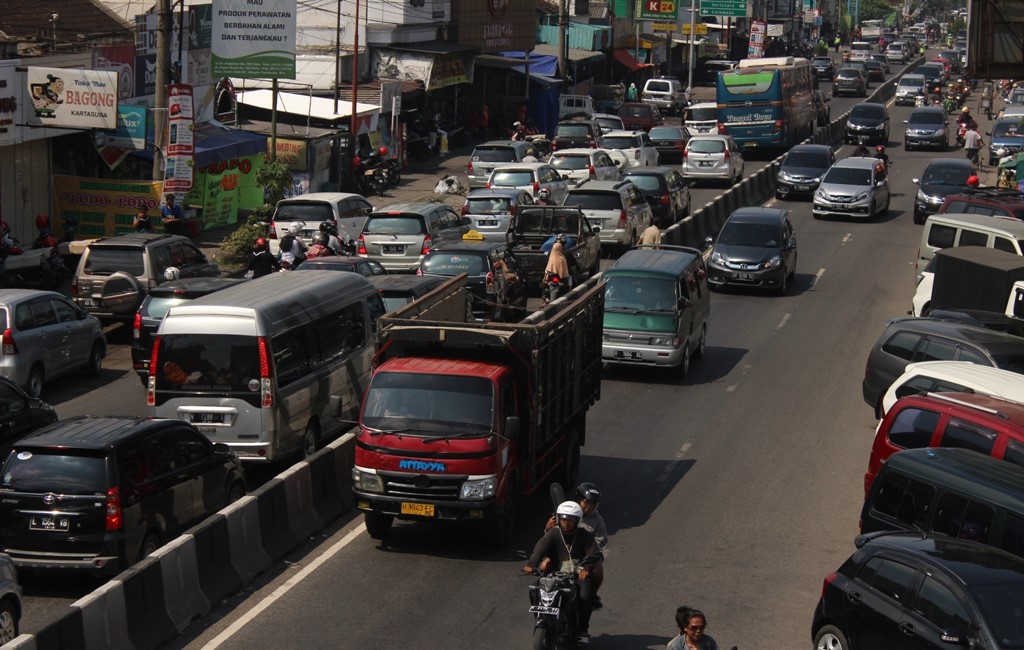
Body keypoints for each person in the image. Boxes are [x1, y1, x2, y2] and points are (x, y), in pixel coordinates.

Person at [523, 501, 601, 646]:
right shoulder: (554, 533)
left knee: (585, 596)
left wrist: (586, 568)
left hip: (576, 575)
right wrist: (531, 565)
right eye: (563, 519)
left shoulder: (585, 535)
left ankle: (583, 630)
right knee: (534, 590)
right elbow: (540, 547)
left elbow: (594, 553)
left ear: (577, 520)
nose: (565, 523)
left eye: (570, 520)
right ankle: (542, 618)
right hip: (555, 574)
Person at [545, 483, 609, 608]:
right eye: (586, 503)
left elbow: (601, 540)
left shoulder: (597, 520)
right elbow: (551, 536)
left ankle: (593, 595)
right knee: (544, 565)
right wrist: (548, 528)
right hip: (563, 552)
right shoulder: (565, 511)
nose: (588, 507)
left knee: (598, 569)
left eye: (592, 504)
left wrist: (587, 548)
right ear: (578, 500)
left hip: (585, 555)